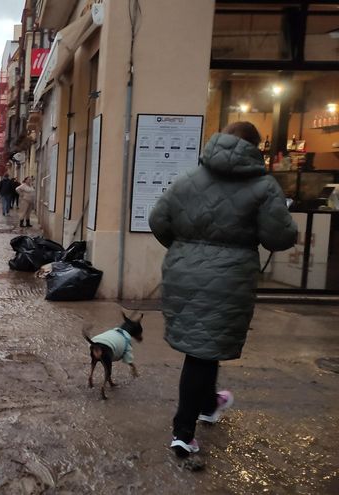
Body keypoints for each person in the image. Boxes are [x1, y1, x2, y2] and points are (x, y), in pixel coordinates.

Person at [148, 121, 297, 459]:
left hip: (182, 271)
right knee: (201, 352)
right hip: (230, 277)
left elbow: (158, 220)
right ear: (254, 147)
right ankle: (182, 433)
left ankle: (209, 405)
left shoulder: (188, 179)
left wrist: (186, 249)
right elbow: (280, 237)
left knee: (204, 346)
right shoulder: (263, 186)